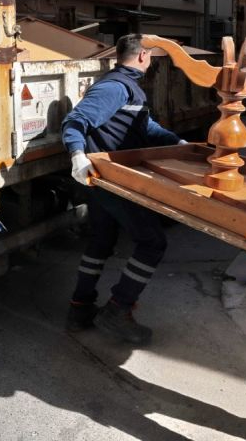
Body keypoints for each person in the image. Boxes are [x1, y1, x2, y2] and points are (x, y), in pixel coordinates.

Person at [62, 34, 183, 345]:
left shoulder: (128, 88)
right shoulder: (115, 87)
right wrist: (77, 155)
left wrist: (179, 143)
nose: (152, 61)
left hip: (105, 181)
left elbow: (145, 127)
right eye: (153, 56)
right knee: (152, 242)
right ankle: (119, 309)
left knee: (101, 241)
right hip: (113, 182)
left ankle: (79, 308)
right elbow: (75, 121)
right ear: (143, 56)